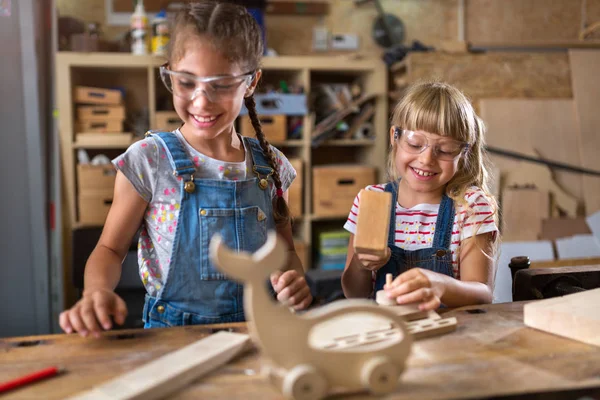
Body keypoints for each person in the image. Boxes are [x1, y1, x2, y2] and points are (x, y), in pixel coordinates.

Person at [59, 1, 312, 337]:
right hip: (172, 336)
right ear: (169, 74)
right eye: (186, 82)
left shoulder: (272, 166)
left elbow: (286, 254)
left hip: (259, 333)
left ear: (251, 82)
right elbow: (109, 249)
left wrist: (294, 282)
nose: (201, 100)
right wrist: (96, 293)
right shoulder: (150, 160)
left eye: (221, 84)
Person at [341, 81, 499, 311]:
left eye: (444, 149)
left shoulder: (470, 206)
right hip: (389, 333)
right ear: (395, 137)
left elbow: (483, 294)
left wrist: (440, 285)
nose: (426, 160)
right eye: (415, 144)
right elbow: (354, 292)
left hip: (449, 334)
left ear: (464, 153)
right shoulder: (371, 199)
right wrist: (361, 264)